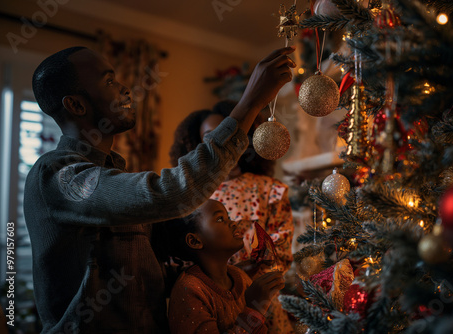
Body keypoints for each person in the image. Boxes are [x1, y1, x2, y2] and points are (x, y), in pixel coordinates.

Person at [25, 45, 295, 333]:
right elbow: (172, 192)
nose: (125, 89)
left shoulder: (114, 176)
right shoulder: (57, 175)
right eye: (109, 81)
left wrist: (227, 277)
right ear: (76, 105)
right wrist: (250, 103)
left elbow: (147, 275)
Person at [170, 100, 294, 333]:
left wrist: (252, 280)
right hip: (212, 300)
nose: (221, 143)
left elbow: (281, 247)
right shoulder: (191, 198)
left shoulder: (270, 190)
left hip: (262, 303)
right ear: (197, 144)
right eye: (210, 137)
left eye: (230, 134)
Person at [154, 199, 285, 333]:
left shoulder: (239, 276)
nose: (233, 223)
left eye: (228, 217)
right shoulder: (189, 291)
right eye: (220, 219)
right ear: (194, 241)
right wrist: (254, 310)